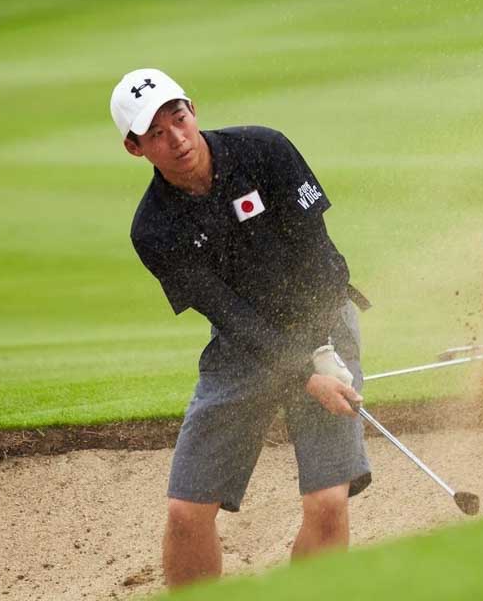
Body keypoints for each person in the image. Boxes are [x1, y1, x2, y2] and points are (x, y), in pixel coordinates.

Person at [109, 68, 371, 587]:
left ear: (193, 109)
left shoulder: (264, 150)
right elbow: (228, 315)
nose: (176, 139)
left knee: (326, 503)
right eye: (156, 134)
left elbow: (321, 261)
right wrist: (302, 372)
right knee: (186, 513)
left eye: (178, 119)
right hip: (243, 347)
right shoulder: (154, 229)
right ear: (135, 148)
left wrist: (319, 351)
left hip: (322, 319)